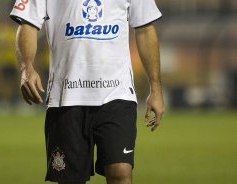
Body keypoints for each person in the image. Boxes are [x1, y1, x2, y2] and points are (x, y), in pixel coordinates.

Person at [10, 0, 165, 183]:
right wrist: (26, 68)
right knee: (70, 179)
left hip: (117, 93)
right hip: (66, 97)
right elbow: (27, 23)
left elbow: (145, 28)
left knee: (121, 172)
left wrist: (155, 88)